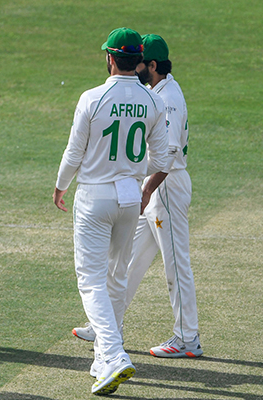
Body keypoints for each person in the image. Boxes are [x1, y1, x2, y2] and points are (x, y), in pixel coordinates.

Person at [53, 28, 169, 395]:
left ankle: (115, 354)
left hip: (95, 194)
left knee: (90, 280)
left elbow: (74, 152)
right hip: (130, 196)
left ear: (109, 58)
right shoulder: (153, 101)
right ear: (138, 59)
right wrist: (134, 172)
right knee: (116, 279)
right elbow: (162, 159)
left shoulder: (93, 97)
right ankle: (104, 357)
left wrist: (60, 185)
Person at [71, 35, 202, 359]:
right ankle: (107, 325)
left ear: (152, 66)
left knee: (176, 263)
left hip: (165, 187)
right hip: (151, 189)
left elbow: (168, 155)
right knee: (130, 262)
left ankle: (188, 338)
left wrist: (146, 190)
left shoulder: (167, 98)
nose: (137, 65)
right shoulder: (156, 92)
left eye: (143, 61)